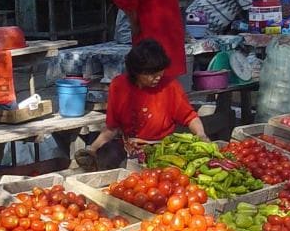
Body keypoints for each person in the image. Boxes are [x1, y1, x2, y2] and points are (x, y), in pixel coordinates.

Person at [84, 39, 208, 168]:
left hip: (163, 150)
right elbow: (112, 128)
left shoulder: (170, 86)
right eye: (152, 74)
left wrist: (201, 135)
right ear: (136, 72)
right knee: (108, 156)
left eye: (161, 72)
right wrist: (92, 150)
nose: (158, 77)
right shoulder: (119, 85)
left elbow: (190, 116)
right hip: (129, 148)